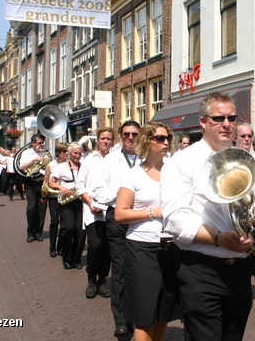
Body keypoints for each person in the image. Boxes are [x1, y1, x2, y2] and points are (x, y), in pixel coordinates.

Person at [161, 92, 255, 341]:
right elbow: (174, 218)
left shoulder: (247, 160)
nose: (227, 124)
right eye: (218, 118)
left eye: (231, 118)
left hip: (240, 269)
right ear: (203, 121)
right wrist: (218, 238)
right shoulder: (182, 161)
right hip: (202, 270)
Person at [116, 121, 181, 341]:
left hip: (171, 246)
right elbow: (120, 214)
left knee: (164, 311)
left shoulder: (175, 172)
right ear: (147, 141)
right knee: (143, 314)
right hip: (141, 248)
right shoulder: (134, 175)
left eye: (168, 138)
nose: (166, 143)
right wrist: (154, 212)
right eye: (160, 138)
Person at [92, 120, 142, 337]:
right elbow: (98, 192)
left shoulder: (147, 158)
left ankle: (137, 315)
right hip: (118, 217)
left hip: (141, 218)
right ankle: (121, 319)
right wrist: (123, 192)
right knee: (120, 269)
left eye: (134, 134)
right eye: (126, 134)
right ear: (120, 136)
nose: (130, 138)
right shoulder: (110, 160)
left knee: (139, 269)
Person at [76, 128, 114, 299]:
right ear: (97, 140)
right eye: (103, 138)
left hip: (111, 212)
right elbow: (80, 185)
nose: (106, 141)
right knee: (95, 244)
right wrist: (90, 203)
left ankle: (102, 280)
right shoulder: (89, 161)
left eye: (109, 139)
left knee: (107, 247)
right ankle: (91, 278)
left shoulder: (116, 160)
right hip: (92, 211)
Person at [233, 123, 255, 283]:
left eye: (249, 136)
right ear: (235, 138)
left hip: (251, 212)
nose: (247, 139)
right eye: (243, 136)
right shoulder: (228, 157)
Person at [49, 142, 83, 270]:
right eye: (75, 153)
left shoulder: (83, 166)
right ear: (69, 153)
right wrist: (61, 187)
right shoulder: (62, 167)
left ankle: (77, 258)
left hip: (80, 201)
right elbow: (51, 183)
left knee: (80, 232)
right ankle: (67, 258)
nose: (77, 156)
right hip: (66, 201)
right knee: (69, 229)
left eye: (79, 153)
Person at [19, 134, 49, 243]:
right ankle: (30, 232)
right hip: (31, 184)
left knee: (42, 209)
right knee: (31, 208)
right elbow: (22, 167)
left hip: (42, 183)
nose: (41, 145)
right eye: (39, 143)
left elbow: (50, 168)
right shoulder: (26, 153)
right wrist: (34, 160)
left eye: (42, 143)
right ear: (33, 143)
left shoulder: (46, 153)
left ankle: (38, 233)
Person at [43, 143, 68, 258]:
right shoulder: (51, 165)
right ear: (58, 153)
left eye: (67, 151)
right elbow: (46, 180)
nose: (66, 154)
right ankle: (52, 246)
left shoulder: (69, 165)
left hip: (65, 196)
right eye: (64, 152)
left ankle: (60, 247)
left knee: (64, 224)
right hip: (53, 196)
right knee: (54, 221)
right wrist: (44, 196)